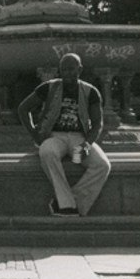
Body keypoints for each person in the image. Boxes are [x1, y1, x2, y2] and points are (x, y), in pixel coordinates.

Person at [17, 52, 110, 216]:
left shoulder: (91, 91)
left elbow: (97, 124)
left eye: (71, 69)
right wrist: (34, 134)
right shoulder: (49, 87)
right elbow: (23, 108)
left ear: (79, 69)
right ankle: (67, 205)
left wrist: (86, 144)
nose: (67, 73)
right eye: (64, 70)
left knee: (102, 165)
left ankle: (70, 202)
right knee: (47, 152)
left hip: (79, 138)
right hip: (54, 136)